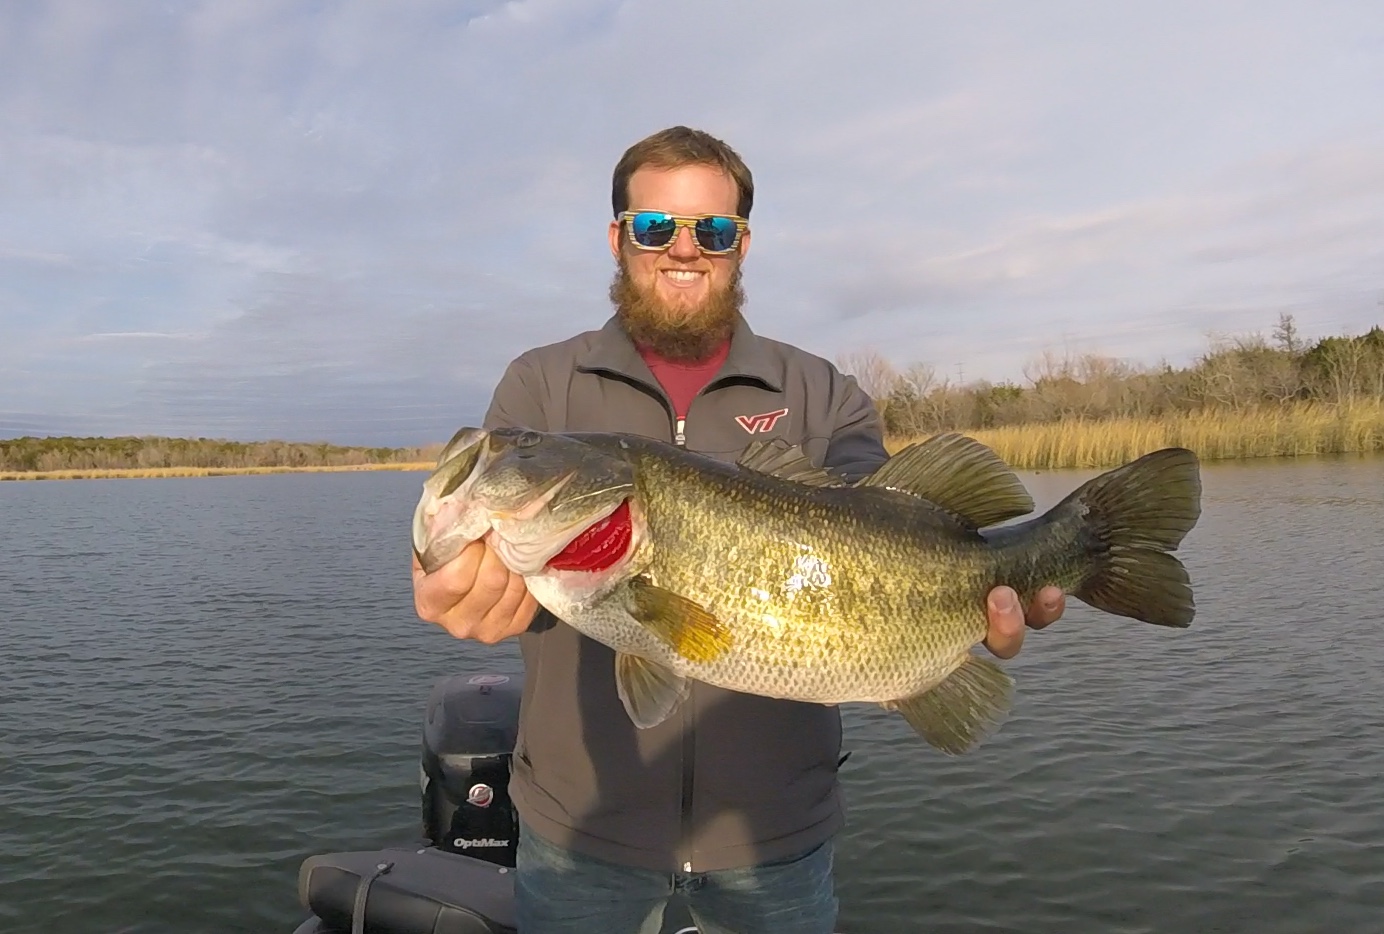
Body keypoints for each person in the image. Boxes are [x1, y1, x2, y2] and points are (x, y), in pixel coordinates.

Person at [412, 126, 1066, 934]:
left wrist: (995, 593)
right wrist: (461, 580)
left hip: (776, 848)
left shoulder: (821, 392)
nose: (685, 249)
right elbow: (494, 563)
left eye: (713, 231)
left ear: (742, 245)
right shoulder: (542, 386)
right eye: (657, 227)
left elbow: (895, 522)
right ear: (618, 237)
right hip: (578, 838)